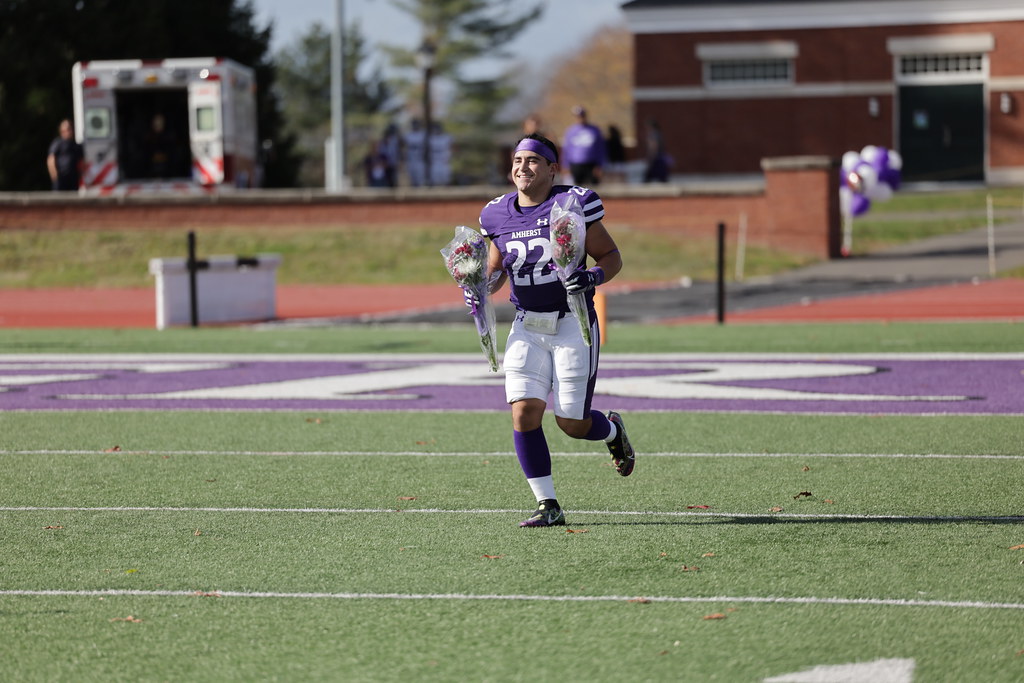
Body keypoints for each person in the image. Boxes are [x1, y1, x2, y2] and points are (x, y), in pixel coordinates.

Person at [475, 132, 635, 528]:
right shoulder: (496, 214)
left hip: (571, 324)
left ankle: (612, 429)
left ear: (551, 168)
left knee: (572, 424)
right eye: (516, 160)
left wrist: (593, 275)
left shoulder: (573, 203)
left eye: (532, 160)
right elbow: (495, 273)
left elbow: (611, 256)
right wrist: (477, 285)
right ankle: (548, 504)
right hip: (526, 324)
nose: (522, 167)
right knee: (524, 413)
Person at [561, 105, 606, 186]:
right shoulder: (571, 131)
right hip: (575, 165)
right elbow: (566, 150)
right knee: (575, 189)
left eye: (582, 116)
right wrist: (565, 166)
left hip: (591, 165)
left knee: (594, 189)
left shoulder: (594, 130)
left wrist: (600, 165)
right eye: (578, 116)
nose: (580, 118)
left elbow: (600, 149)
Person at [47, 119, 83, 191]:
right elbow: (51, 159)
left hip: (73, 178)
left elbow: (81, 161)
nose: (70, 131)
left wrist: (81, 175)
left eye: (71, 128)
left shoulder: (76, 145)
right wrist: (54, 176)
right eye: (67, 129)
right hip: (61, 177)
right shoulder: (57, 143)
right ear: (62, 131)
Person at [643, 119, 670, 183]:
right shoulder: (657, 133)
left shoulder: (653, 134)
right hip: (659, 157)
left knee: (650, 175)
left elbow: (654, 146)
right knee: (659, 175)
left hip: (656, 158)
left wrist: (651, 157)